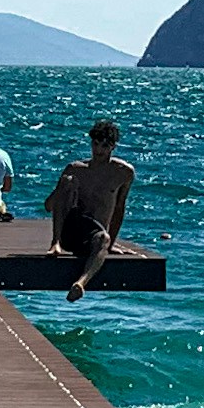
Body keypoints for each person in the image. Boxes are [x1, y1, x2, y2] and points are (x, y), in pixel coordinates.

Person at [46, 118, 136, 300]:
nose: (99, 150)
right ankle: (55, 244)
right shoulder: (76, 169)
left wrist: (111, 244)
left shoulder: (123, 172)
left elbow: (119, 209)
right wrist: (63, 186)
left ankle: (80, 284)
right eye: (95, 144)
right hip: (72, 230)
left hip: (95, 233)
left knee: (103, 239)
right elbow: (49, 206)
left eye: (104, 146)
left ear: (113, 147)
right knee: (68, 182)